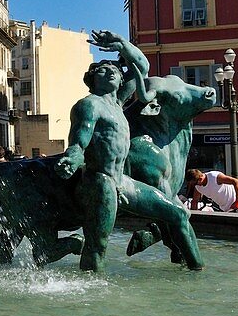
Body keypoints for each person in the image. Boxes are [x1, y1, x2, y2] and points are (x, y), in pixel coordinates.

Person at [56, 30, 203, 272]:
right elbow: (80, 138)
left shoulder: (118, 103)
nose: (110, 71)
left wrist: (121, 44)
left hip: (123, 182)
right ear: (92, 80)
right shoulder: (89, 105)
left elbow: (142, 66)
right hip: (99, 180)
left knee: (178, 213)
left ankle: (197, 268)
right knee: (97, 244)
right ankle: (91, 292)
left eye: (113, 69)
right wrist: (73, 155)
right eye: (102, 70)